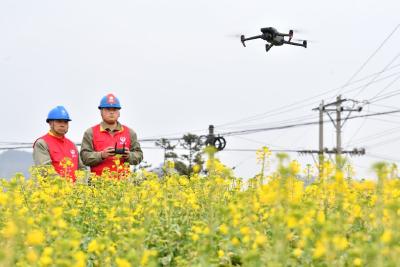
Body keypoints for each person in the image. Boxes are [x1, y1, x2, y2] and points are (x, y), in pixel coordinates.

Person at [80, 93, 143, 177]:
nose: (111, 112)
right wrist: (101, 155)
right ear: (101, 112)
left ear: (119, 113)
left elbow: (139, 155)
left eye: (115, 109)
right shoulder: (90, 132)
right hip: (98, 184)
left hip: (123, 185)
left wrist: (129, 155)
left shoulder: (130, 132)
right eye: (107, 109)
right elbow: (84, 157)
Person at [33, 106, 85, 182]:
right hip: (52, 192)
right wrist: (64, 186)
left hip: (74, 192)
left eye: (65, 122)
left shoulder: (72, 145)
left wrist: (79, 187)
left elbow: (82, 169)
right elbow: (45, 170)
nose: (62, 124)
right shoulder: (42, 143)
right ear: (50, 123)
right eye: (59, 121)